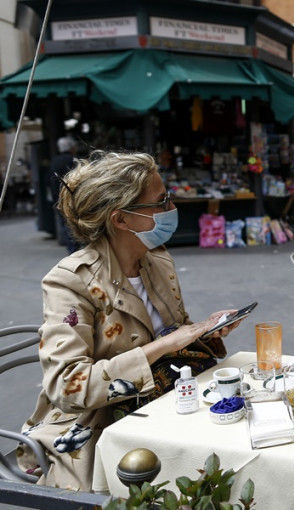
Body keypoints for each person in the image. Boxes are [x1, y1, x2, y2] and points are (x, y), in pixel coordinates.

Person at [19, 151, 241, 491]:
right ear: (121, 220)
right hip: (100, 426)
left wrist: (205, 330)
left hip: (167, 401)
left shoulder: (156, 260)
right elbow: (68, 386)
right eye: (160, 201)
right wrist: (166, 344)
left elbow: (173, 336)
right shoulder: (70, 280)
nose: (171, 208)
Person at [50, 136, 80, 253]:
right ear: (72, 147)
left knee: (65, 224)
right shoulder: (72, 160)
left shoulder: (55, 161)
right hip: (71, 198)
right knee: (74, 224)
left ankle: (72, 249)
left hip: (58, 198)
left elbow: (50, 180)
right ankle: (74, 249)